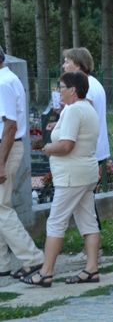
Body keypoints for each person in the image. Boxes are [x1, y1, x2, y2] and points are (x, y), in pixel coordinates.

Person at [22, 71, 100, 287]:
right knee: (88, 220)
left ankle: (46, 272)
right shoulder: (88, 107)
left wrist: (47, 148)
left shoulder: (74, 110)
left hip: (71, 176)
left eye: (61, 87)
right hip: (86, 172)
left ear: (73, 90)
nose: (58, 92)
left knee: (56, 222)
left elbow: (66, 145)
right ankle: (91, 268)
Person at [0, 46, 44, 280]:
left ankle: (32, 257)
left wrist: (1, 163)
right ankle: (2, 262)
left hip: (5, 148)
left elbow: (10, 126)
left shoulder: (3, 83)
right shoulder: (7, 78)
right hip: (8, 146)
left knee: (1, 208)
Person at [62, 48, 110, 262]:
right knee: (86, 201)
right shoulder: (94, 83)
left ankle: (93, 249)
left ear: (78, 64)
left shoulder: (85, 87)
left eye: (67, 61)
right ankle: (92, 248)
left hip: (87, 150)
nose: (64, 65)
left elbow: (83, 118)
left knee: (85, 203)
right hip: (95, 148)